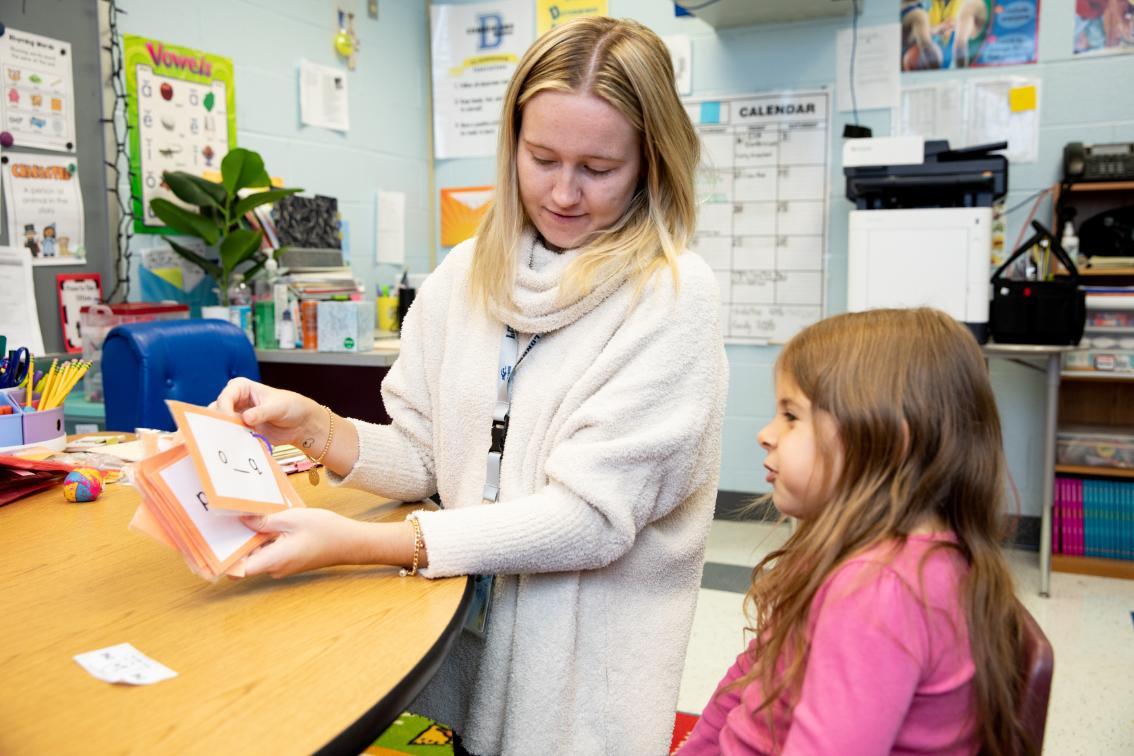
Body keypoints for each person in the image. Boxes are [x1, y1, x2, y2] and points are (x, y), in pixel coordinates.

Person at [214, 17, 728, 756]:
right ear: (512, 141)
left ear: (651, 163)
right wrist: (319, 428)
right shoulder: (466, 272)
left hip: (579, 690)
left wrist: (369, 543)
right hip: (464, 646)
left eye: (598, 167)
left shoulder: (673, 296)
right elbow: (429, 453)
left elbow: (588, 520)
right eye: (541, 156)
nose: (562, 191)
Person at [679, 308, 1036, 756]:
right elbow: (748, 680)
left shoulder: (881, 590)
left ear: (886, 440)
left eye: (791, 416)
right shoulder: (855, 556)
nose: (766, 435)